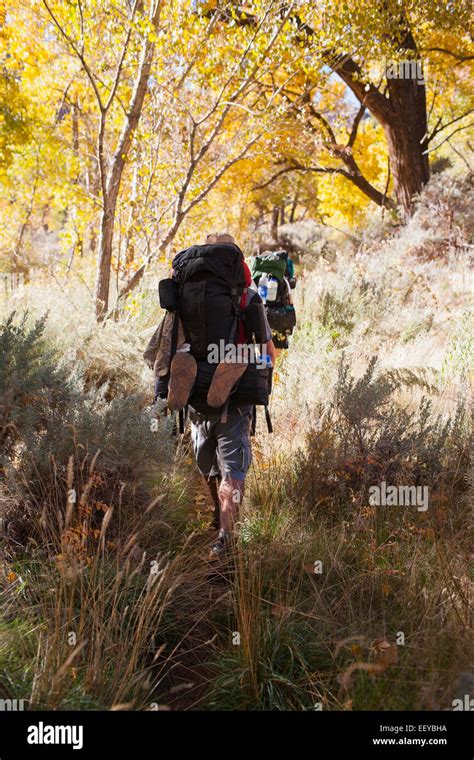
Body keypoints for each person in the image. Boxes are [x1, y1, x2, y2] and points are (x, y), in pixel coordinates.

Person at [164, 232, 276, 558]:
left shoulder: (188, 292)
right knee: (234, 469)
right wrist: (262, 372)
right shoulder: (247, 296)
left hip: (196, 389)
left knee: (206, 462)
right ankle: (226, 538)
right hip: (235, 398)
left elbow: (170, 337)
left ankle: (217, 512)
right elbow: (268, 351)